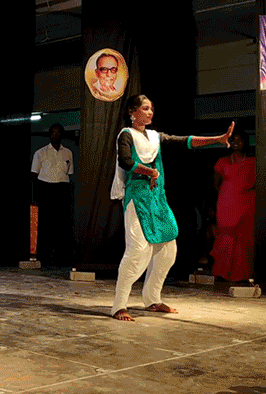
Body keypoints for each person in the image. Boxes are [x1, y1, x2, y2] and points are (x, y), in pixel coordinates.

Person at [110, 94, 234, 321]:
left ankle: (152, 299)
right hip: (137, 198)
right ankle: (119, 305)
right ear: (132, 112)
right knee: (137, 251)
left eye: (151, 108)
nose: (150, 112)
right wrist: (150, 171)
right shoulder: (126, 135)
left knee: (168, 250)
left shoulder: (154, 137)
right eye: (145, 108)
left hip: (157, 197)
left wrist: (218, 139)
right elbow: (125, 162)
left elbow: (184, 141)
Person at [210, 133, 256, 282]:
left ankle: (243, 274)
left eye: (239, 139)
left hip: (246, 202)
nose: (236, 142)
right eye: (233, 140)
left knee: (244, 235)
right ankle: (222, 272)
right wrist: (229, 194)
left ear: (245, 142)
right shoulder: (222, 161)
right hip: (227, 201)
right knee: (226, 234)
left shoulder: (253, 161)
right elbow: (216, 184)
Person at [31, 123, 74, 265]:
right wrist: (36, 196)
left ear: (62, 135)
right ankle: (44, 256)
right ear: (49, 135)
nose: (56, 135)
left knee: (61, 224)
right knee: (46, 224)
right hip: (46, 189)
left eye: (58, 133)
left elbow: (69, 174)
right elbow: (34, 175)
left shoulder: (68, 152)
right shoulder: (41, 153)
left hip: (62, 189)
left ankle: (60, 257)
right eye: (53, 133)